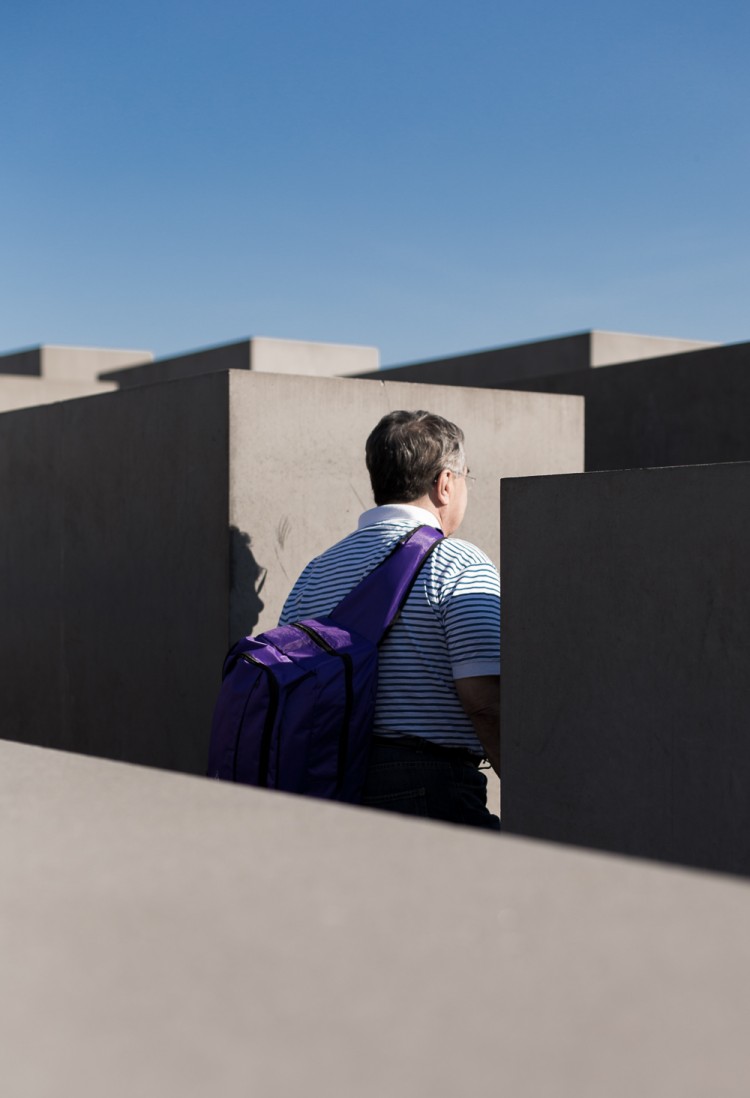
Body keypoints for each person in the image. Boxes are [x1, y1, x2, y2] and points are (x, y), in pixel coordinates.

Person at [279, 409, 501, 830]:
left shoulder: (315, 572)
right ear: (446, 483)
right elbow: (484, 700)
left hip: (332, 784)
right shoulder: (458, 561)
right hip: (429, 786)